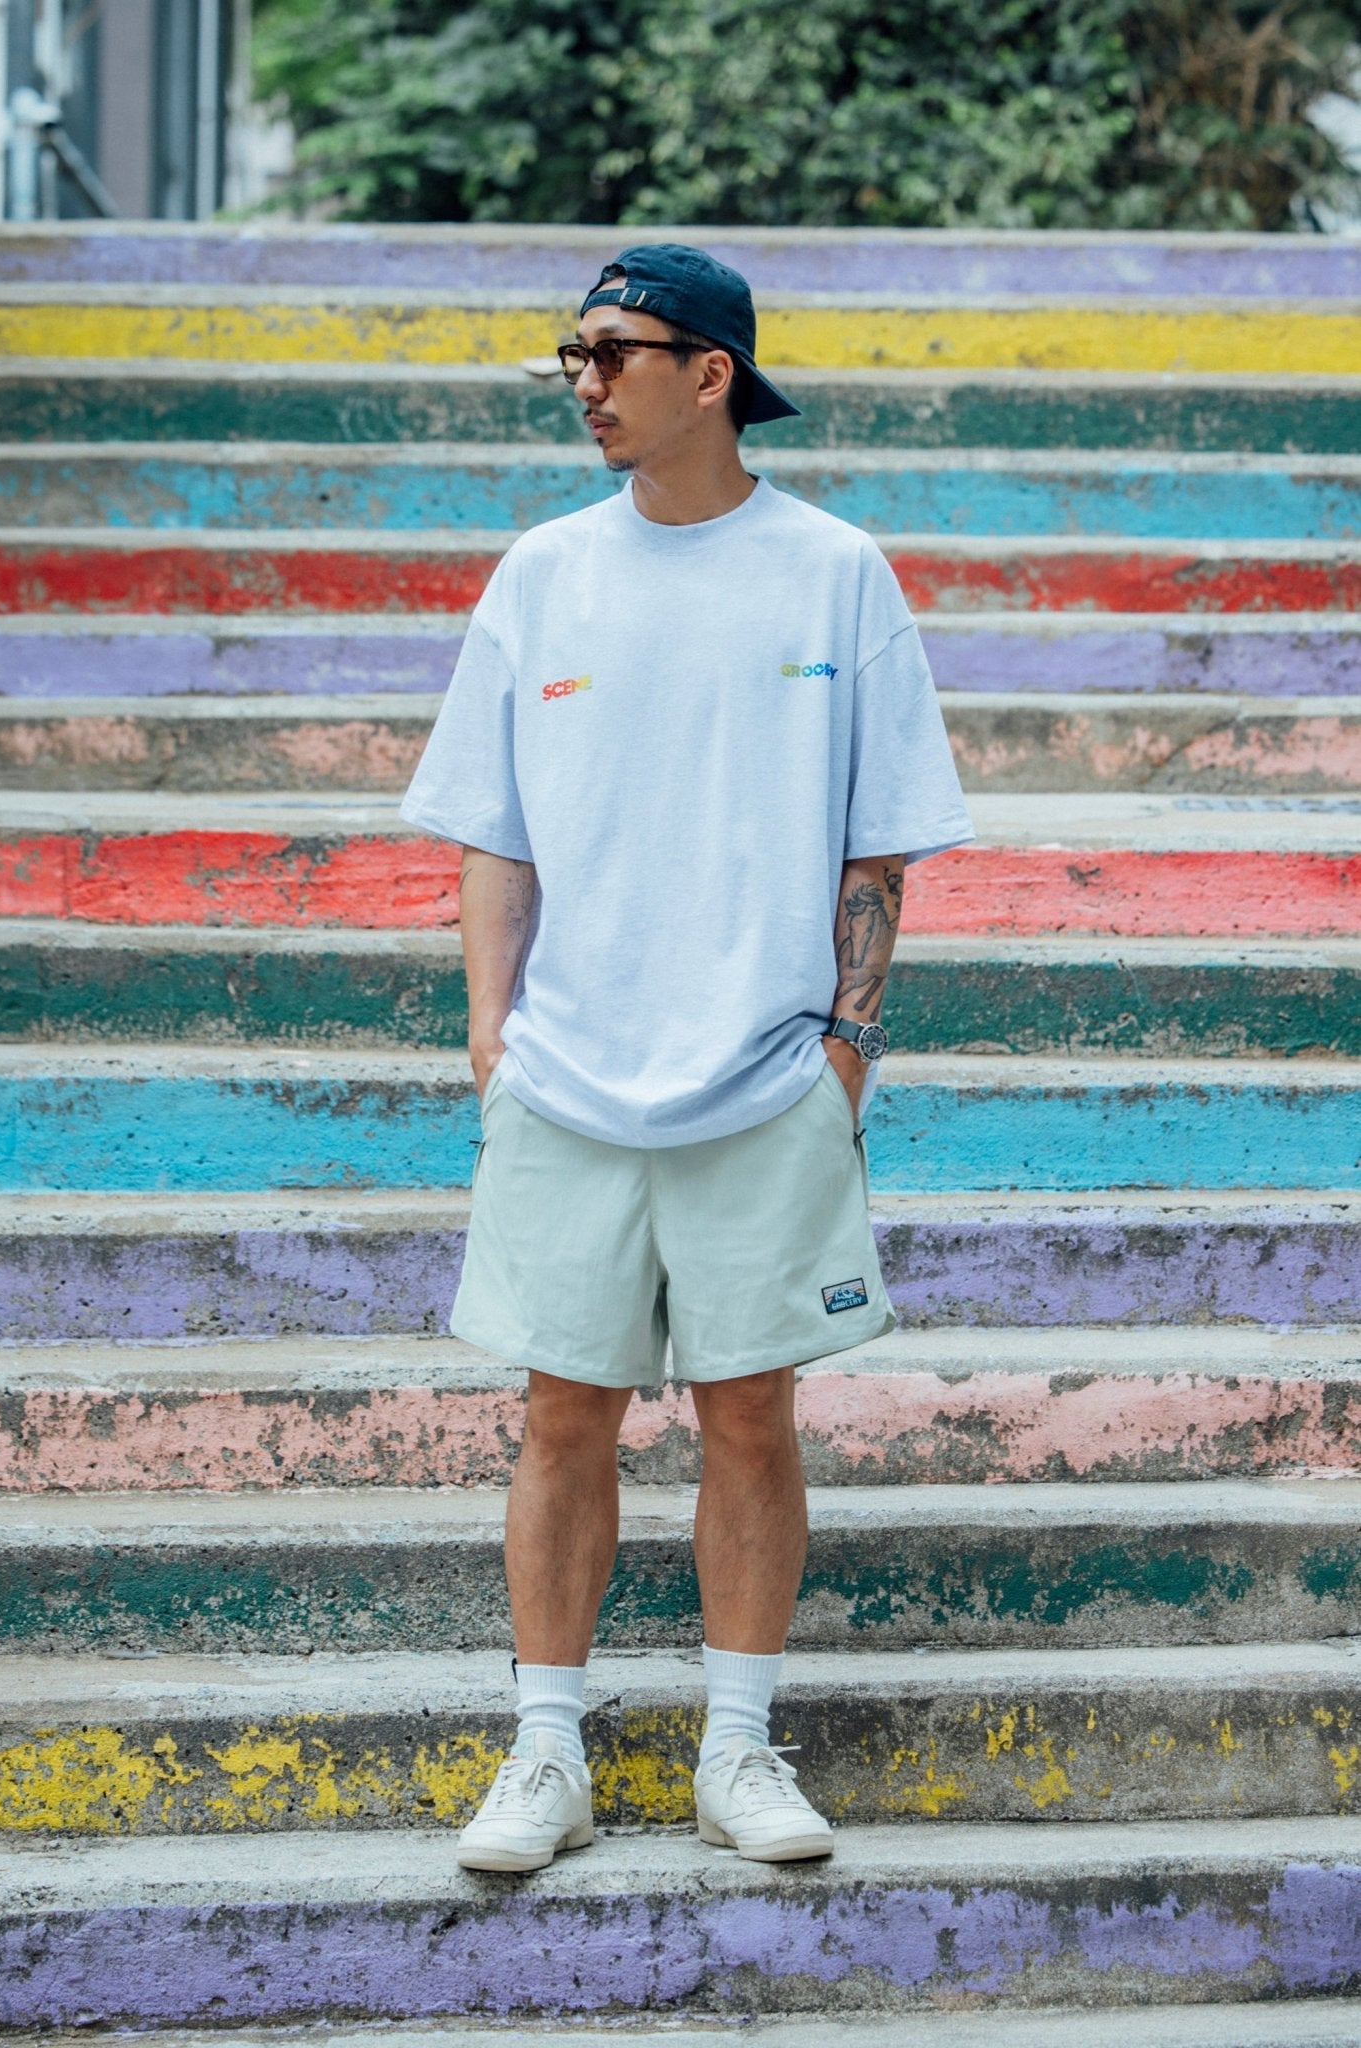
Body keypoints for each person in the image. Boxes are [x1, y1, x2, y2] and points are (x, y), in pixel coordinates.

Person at [401, 243, 974, 1874]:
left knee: (749, 1417)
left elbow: (877, 841)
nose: (582, 383)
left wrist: (845, 1045)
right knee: (560, 1416)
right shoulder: (542, 574)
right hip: (568, 1075)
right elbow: (493, 832)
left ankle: (737, 1746)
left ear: (709, 373)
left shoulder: (833, 573)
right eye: (570, 357)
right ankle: (545, 1754)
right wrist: (491, 1038)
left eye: (613, 353)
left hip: (767, 1072)